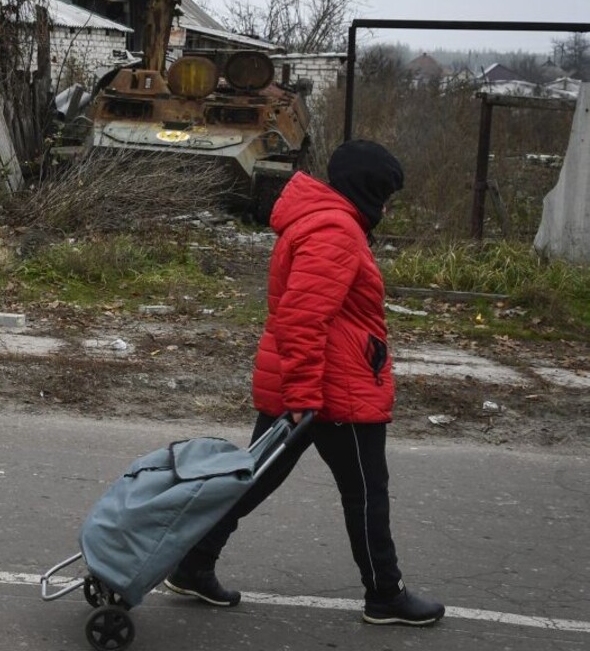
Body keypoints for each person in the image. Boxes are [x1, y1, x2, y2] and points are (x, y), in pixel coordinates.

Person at [163, 140, 446, 626]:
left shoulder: (323, 220)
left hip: (311, 382)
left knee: (253, 480)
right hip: (332, 390)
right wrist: (302, 397)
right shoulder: (335, 230)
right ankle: (385, 593)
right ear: (367, 190)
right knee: (365, 492)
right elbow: (301, 317)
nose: (386, 208)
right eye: (384, 196)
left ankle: (193, 564)